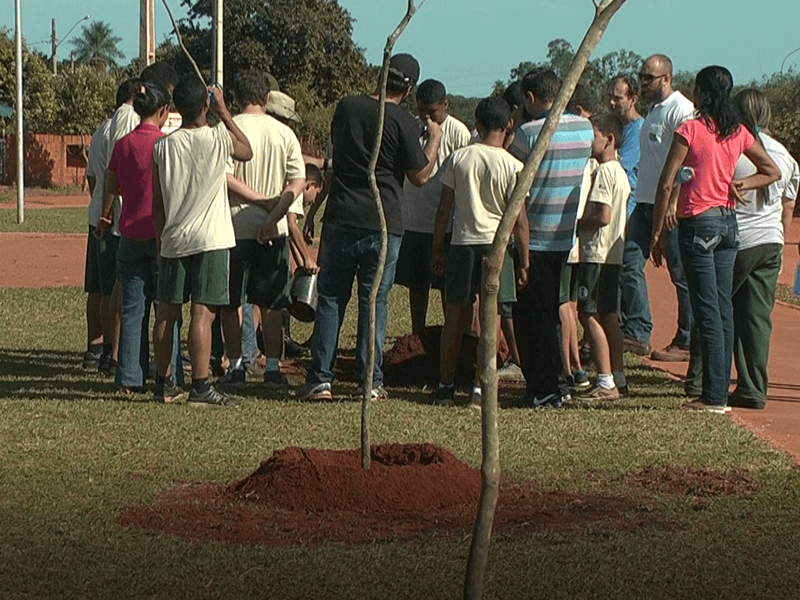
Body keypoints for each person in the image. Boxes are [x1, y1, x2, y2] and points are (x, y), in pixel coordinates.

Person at [296, 53, 441, 402]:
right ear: (409, 88)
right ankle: (369, 382)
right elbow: (420, 176)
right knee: (373, 301)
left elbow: (335, 158)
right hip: (383, 221)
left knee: (331, 299)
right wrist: (433, 137)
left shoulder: (346, 107)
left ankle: (320, 379)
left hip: (342, 216)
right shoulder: (405, 123)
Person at [651, 65, 779, 412]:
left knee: (706, 310)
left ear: (701, 92)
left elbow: (666, 184)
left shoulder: (689, 129)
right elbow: (772, 171)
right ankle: (718, 393)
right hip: (727, 225)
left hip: (699, 225)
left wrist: (657, 233)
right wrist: (741, 185)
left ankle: (713, 396)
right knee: (722, 310)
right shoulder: (737, 132)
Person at [685, 89, 798, 409]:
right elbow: (787, 207)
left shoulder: (732, 146)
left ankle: (700, 380)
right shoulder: (784, 155)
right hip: (770, 241)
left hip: (736, 241)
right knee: (757, 318)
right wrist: (776, 243)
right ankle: (752, 387)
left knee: (711, 308)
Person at [151, 75, 253, 406]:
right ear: (206, 106)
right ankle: (200, 385)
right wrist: (224, 111)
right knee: (203, 313)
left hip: (173, 236)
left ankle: (163, 383)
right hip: (210, 238)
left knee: (166, 312)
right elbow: (246, 151)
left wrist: (160, 239)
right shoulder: (217, 138)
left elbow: (157, 203)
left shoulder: (162, 146)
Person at [428, 96, 529, 406]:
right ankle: (479, 388)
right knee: (491, 320)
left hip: (463, 244)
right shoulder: (514, 165)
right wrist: (524, 260)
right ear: (509, 124)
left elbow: (444, 208)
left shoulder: (459, 158)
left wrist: (437, 249)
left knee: (455, 318)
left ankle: (445, 385)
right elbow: (520, 220)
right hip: (497, 249)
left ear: (477, 124)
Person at [508, 68, 594, 408]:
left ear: (530, 98)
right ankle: (557, 381)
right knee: (554, 311)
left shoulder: (528, 133)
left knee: (533, 318)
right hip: (564, 237)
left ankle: (542, 388)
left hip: (535, 236)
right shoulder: (585, 129)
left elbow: (513, 182)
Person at [218, 70, 306, 390]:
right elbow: (297, 182)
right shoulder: (284, 134)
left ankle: (238, 365)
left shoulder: (228, 130)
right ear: (267, 98)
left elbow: (226, 177)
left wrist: (259, 203)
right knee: (271, 302)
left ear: (236, 99)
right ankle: (271, 368)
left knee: (232, 301)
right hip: (275, 230)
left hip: (234, 226)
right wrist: (273, 213)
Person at [98, 81, 173, 392]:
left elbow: (110, 185)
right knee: (165, 309)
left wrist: (105, 216)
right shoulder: (165, 144)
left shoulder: (124, 144)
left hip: (129, 234)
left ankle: (129, 376)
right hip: (160, 236)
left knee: (132, 308)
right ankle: (166, 374)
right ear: (163, 111)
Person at [622, 54, 695, 362]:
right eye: (641, 76)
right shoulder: (653, 111)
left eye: (648, 77)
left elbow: (688, 160)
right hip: (645, 202)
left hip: (669, 207)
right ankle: (638, 331)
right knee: (628, 262)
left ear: (666, 78)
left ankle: (687, 338)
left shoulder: (682, 110)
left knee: (680, 274)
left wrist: (673, 203)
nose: (643, 82)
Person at [395, 79, 471, 335]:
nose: (427, 117)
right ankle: (418, 334)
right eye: (421, 111)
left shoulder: (459, 132)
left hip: (446, 225)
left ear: (445, 106)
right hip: (413, 221)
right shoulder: (409, 128)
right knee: (417, 285)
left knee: (446, 286)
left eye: (433, 112)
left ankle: (451, 335)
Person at [82, 80, 137, 371]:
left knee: (97, 287)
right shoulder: (127, 123)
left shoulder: (101, 128)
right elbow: (115, 173)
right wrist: (109, 210)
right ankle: (112, 352)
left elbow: (93, 176)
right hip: (113, 218)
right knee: (113, 288)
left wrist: (98, 207)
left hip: (98, 216)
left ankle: (95, 348)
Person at [575, 114, 631, 401]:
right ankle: (618, 377)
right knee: (609, 315)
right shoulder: (620, 172)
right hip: (613, 255)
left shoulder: (606, 173)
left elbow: (603, 215)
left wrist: (577, 224)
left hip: (596, 253)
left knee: (588, 314)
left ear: (608, 139)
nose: (589, 142)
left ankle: (606, 380)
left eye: (593, 135)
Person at [607, 74, 643, 218]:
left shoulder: (638, 129)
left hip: (628, 207)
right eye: (610, 97)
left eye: (617, 98)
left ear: (633, 100)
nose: (611, 103)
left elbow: (620, 168)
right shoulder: (615, 127)